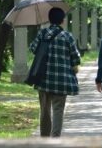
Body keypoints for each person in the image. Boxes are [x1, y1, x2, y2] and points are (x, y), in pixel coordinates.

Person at [29, 7, 80, 137]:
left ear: (49, 19)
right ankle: (55, 138)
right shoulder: (67, 36)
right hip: (61, 81)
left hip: (42, 79)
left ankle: (45, 139)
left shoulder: (42, 33)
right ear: (62, 20)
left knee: (44, 111)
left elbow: (33, 49)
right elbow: (76, 58)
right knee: (58, 110)